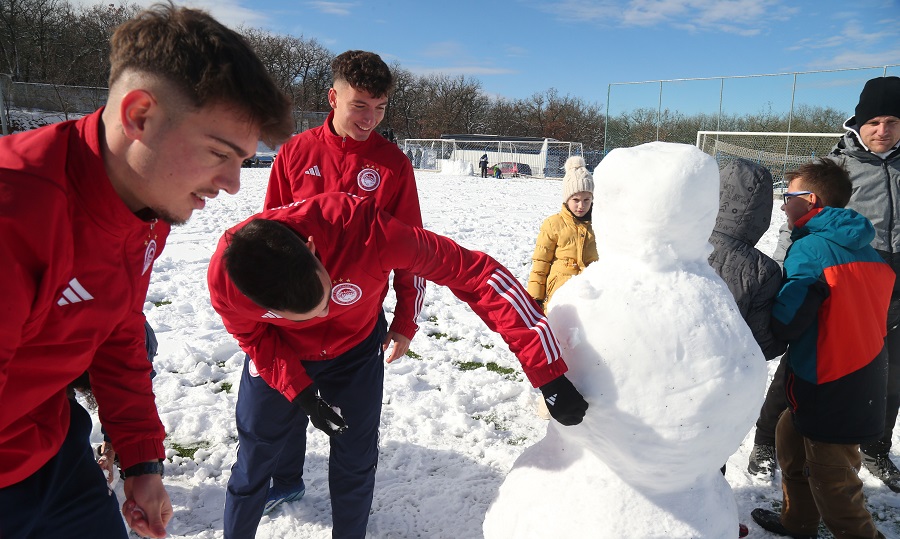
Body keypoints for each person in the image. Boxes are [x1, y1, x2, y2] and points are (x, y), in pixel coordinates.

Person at [0, 5, 292, 538]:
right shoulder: (16, 211)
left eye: (243, 160)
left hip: (54, 450)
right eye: (218, 153)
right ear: (139, 115)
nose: (232, 184)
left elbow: (116, 330)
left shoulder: (144, 204)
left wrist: (140, 461)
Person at [208, 192, 588, 539]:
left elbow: (476, 273)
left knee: (355, 455)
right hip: (281, 355)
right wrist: (301, 392)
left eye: (326, 298)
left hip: (354, 352)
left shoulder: (370, 232)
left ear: (312, 251)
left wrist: (547, 371)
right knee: (256, 453)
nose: (324, 314)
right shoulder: (228, 279)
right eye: (305, 314)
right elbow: (256, 339)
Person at [254, 49, 425, 519]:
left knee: (353, 433)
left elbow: (413, 250)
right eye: (360, 105)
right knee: (287, 409)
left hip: (357, 321)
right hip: (293, 321)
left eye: (381, 107)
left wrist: (407, 319)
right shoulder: (295, 153)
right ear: (333, 97)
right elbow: (268, 237)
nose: (371, 118)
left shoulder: (394, 167)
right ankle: (286, 480)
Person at [748, 76, 900, 489]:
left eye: (892, 121)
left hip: (888, 281)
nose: (882, 130)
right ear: (858, 123)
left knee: (887, 368)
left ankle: (875, 447)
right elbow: (798, 226)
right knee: (805, 360)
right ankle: (766, 442)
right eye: (874, 122)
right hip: (837, 274)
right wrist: (782, 274)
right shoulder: (840, 167)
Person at [751, 159, 894, 539]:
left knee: (835, 485)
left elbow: (787, 320)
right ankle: (798, 523)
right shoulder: (869, 249)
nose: (784, 204)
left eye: (789, 195)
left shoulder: (811, 248)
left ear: (810, 199)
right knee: (788, 435)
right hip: (859, 374)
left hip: (833, 382)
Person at [707, 160, 788, 478]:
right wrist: (784, 340)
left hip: (669, 373)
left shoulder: (681, 245)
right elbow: (759, 344)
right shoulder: (763, 270)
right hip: (722, 383)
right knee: (713, 453)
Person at [527, 155, 598, 307]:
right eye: (576, 200)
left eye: (587, 200)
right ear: (567, 199)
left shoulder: (599, 224)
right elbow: (541, 263)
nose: (581, 206)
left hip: (591, 295)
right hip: (559, 296)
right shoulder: (553, 224)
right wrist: (535, 298)